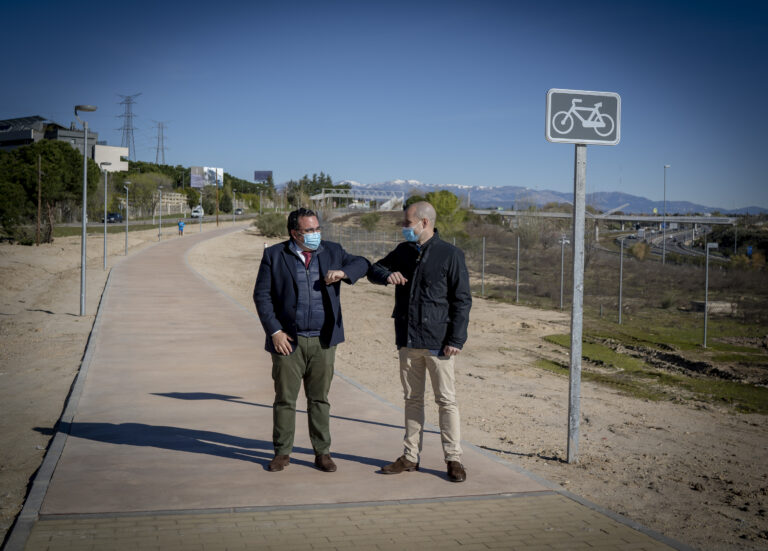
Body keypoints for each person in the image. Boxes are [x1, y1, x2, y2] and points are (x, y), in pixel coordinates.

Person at [253, 207, 369, 473]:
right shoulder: (274, 255)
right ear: (295, 233)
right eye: (310, 230)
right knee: (285, 400)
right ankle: (282, 453)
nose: (316, 234)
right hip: (288, 342)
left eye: (318, 228)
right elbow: (262, 296)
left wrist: (343, 273)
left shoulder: (332, 251)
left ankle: (322, 453)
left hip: (323, 341)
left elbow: (362, 262)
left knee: (319, 399)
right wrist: (275, 332)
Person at [367, 201, 472, 482]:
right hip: (408, 339)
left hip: (440, 343)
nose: (404, 228)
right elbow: (374, 270)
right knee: (412, 400)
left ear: (424, 223)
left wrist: (457, 339)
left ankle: (453, 459)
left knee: (446, 401)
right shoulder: (403, 252)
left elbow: (462, 300)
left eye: (407, 223)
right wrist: (387, 275)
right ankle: (410, 456)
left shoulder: (450, 255)